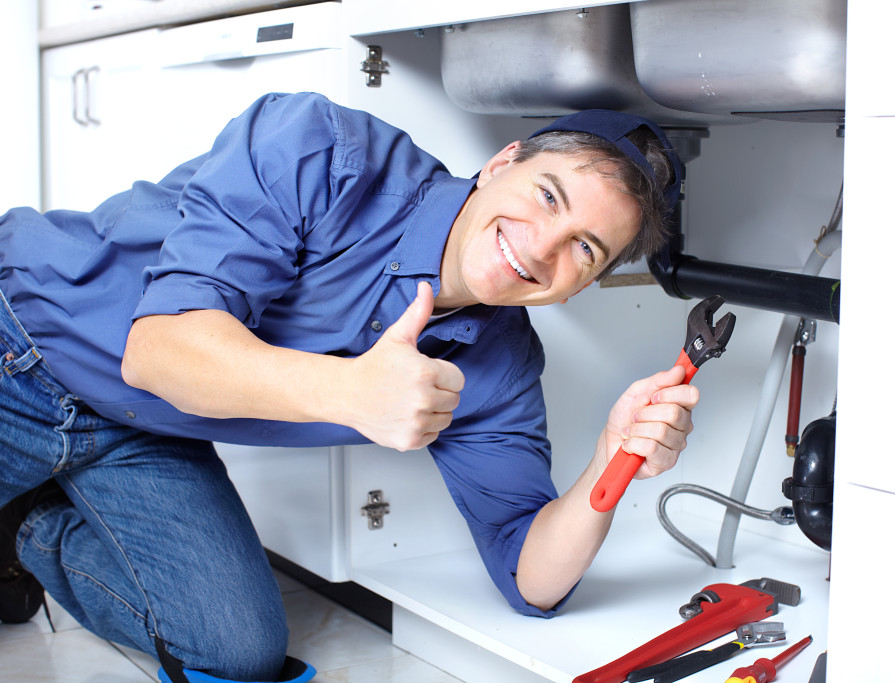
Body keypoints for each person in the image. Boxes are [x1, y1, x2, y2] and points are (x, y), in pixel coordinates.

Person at [0, 92, 698, 683]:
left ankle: (25, 526)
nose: (544, 247)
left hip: (140, 429)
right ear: (502, 162)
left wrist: (614, 460)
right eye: (549, 196)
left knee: (238, 649)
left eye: (584, 249)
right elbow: (158, 352)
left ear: (583, 286)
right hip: (23, 338)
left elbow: (530, 576)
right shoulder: (321, 151)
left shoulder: (499, 364)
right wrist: (351, 391)